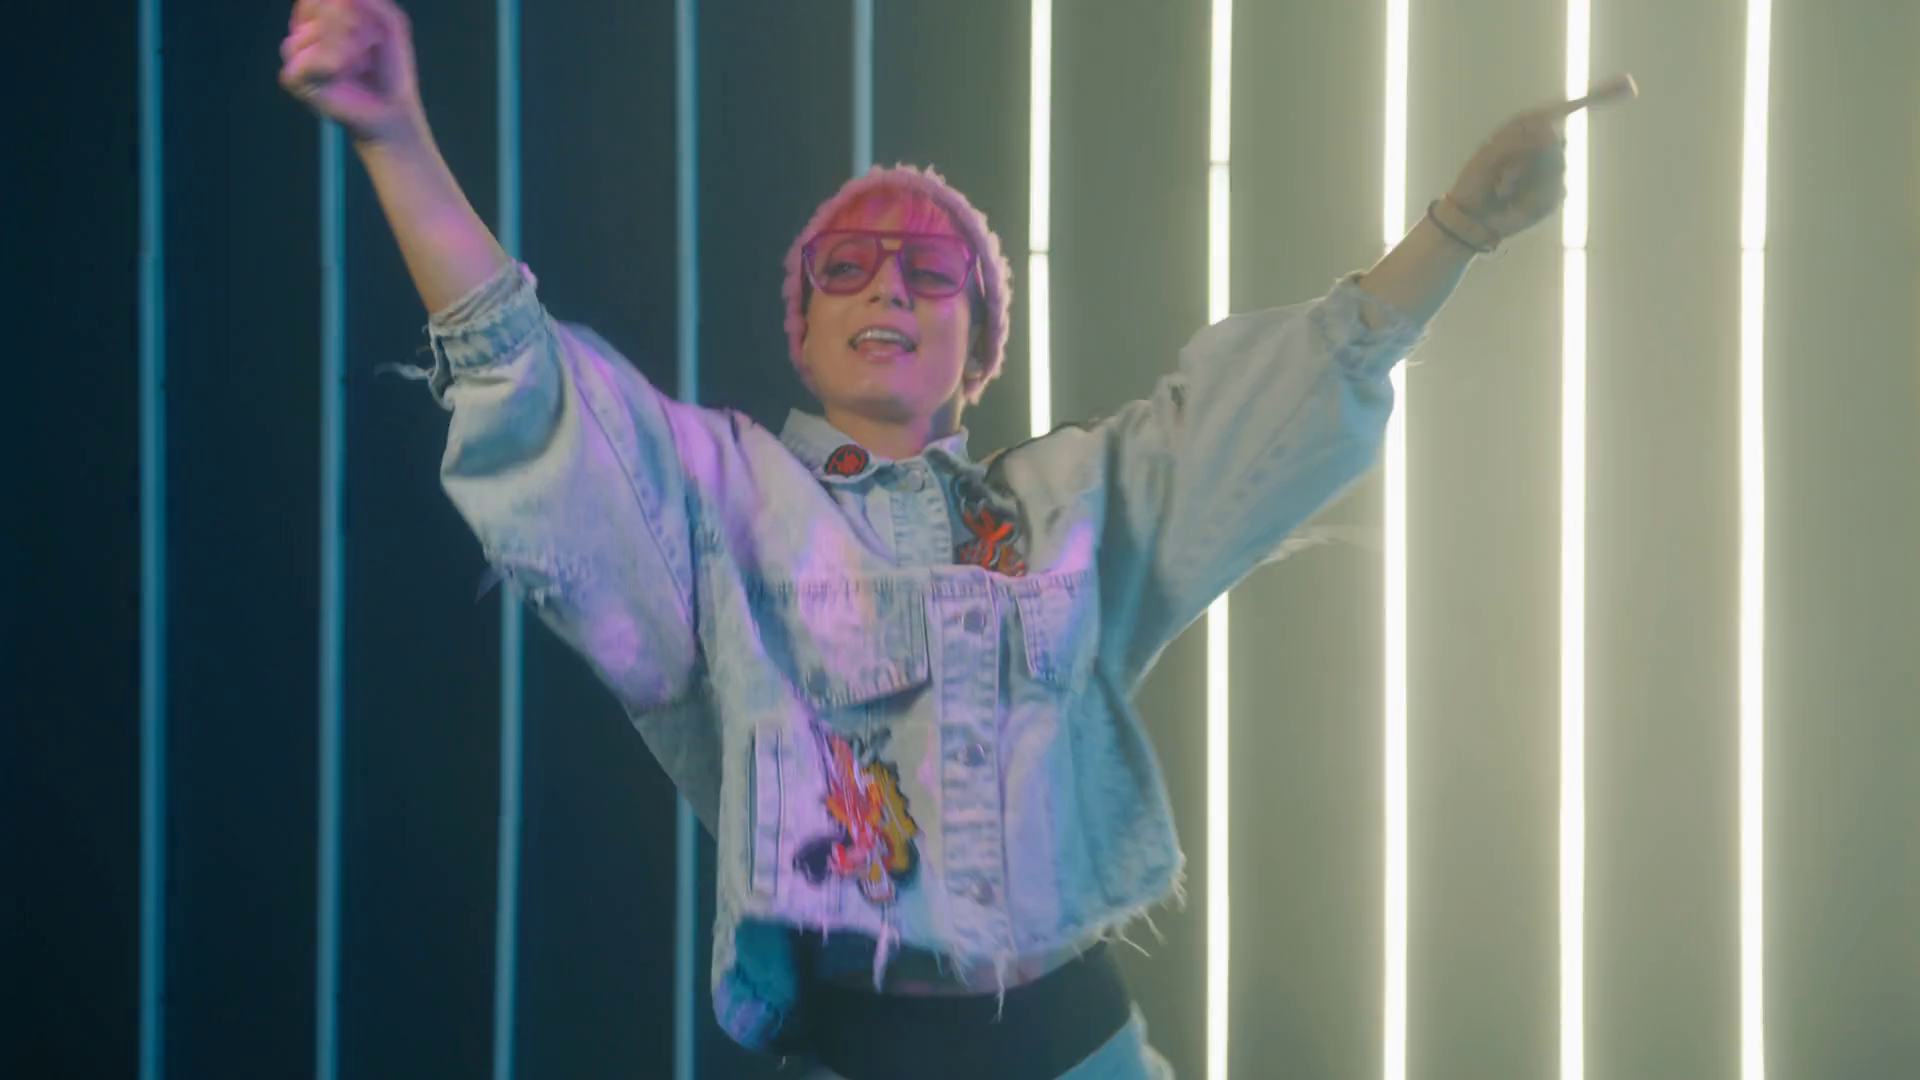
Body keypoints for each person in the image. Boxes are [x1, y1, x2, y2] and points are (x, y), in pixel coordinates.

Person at [281, 1, 1632, 1076]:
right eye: (849, 267)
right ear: (803, 328)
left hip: (1080, 1042)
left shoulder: (1071, 501)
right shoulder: (718, 495)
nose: (889, 286)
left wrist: (1456, 228)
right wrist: (395, 136)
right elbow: (534, 390)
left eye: (933, 274)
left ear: (977, 350)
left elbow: (1271, 412)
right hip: (859, 1047)